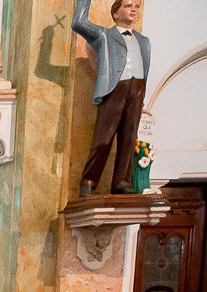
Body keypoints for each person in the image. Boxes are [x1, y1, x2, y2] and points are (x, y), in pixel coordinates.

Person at [73, 0, 149, 197]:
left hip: (137, 88)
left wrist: (142, 98)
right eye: (128, 6)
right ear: (116, 13)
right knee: (103, 138)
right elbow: (78, 23)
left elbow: (145, 66)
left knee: (129, 138)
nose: (133, 10)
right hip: (115, 88)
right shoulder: (104, 36)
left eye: (136, 7)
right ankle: (89, 181)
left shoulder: (143, 41)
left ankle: (122, 182)